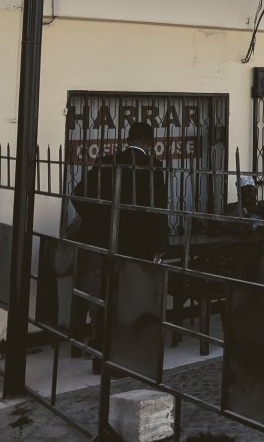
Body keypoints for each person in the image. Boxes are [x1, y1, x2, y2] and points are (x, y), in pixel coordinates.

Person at [71, 121, 169, 363]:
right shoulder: (153, 167)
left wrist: (98, 223)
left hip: (107, 240)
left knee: (107, 292)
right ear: (150, 143)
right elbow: (158, 210)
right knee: (131, 294)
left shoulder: (106, 162)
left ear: (127, 140)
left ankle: (101, 343)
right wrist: (160, 242)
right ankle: (125, 345)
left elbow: (78, 194)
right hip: (139, 243)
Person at [218, 175, 264, 284]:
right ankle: (240, 289)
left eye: (250, 190)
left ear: (256, 191)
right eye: (243, 192)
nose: (247, 195)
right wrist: (246, 211)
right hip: (245, 242)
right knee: (245, 255)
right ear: (238, 195)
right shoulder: (233, 208)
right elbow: (221, 221)